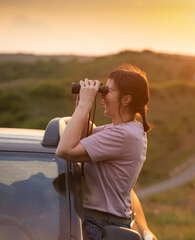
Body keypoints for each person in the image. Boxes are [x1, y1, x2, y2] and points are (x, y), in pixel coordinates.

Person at [56, 64, 155, 240]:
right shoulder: (122, 130)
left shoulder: (122, 134)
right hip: (103, 222)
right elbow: (80, 138)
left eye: (107, 90)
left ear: (126, 100)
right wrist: (82, 105)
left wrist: (85, 105)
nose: (101, 95)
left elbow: (65, 150)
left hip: (101, 226)